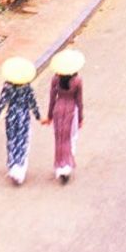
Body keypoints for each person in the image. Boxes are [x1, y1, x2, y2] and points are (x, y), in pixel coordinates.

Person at [0, 58, 44, 184]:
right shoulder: (27, 88)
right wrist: (38, 117)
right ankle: (19, 168)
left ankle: (12, 165)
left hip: (11, 116)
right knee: (22, 140)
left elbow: (2, 103)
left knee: (12, 140)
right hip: (23, 116)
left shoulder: (7, 86)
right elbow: (33, 104)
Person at [48, 49, 85, 184]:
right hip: (71, 111)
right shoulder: (77, 81)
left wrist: (49, 115)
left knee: (59, 138)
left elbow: (52, 98)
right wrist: (81, 118)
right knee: (69, 138)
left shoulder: (55, 80)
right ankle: (67, 165)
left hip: (58, 109)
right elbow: (79, 101)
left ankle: (59, 165)